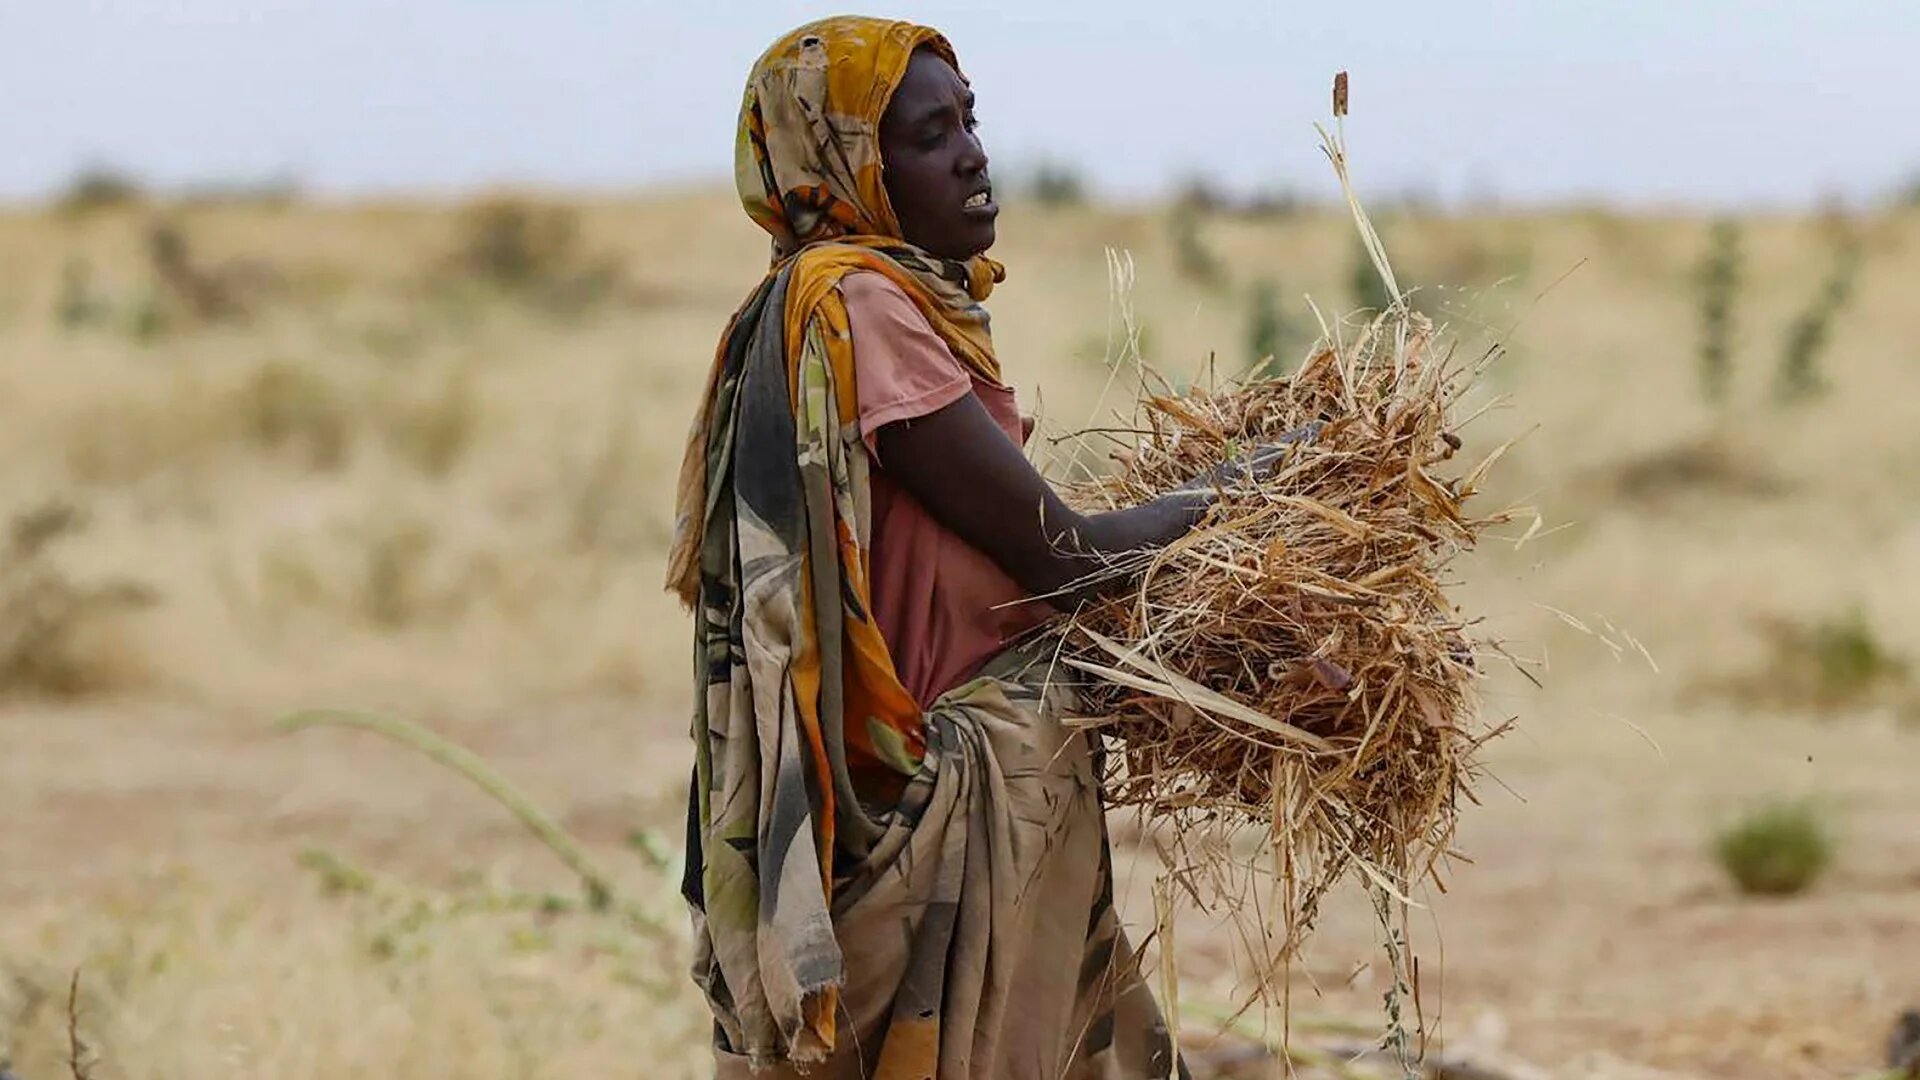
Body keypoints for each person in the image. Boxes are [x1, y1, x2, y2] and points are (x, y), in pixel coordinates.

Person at [668, 16, 1282, 1078]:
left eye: (970, 121)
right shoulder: (863, 304)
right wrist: (1245, 490)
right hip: (934, 821)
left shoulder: (804, 309)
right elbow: (1066, 558)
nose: (971, 154)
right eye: (926, 134)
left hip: (915, 823)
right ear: (851, 165)